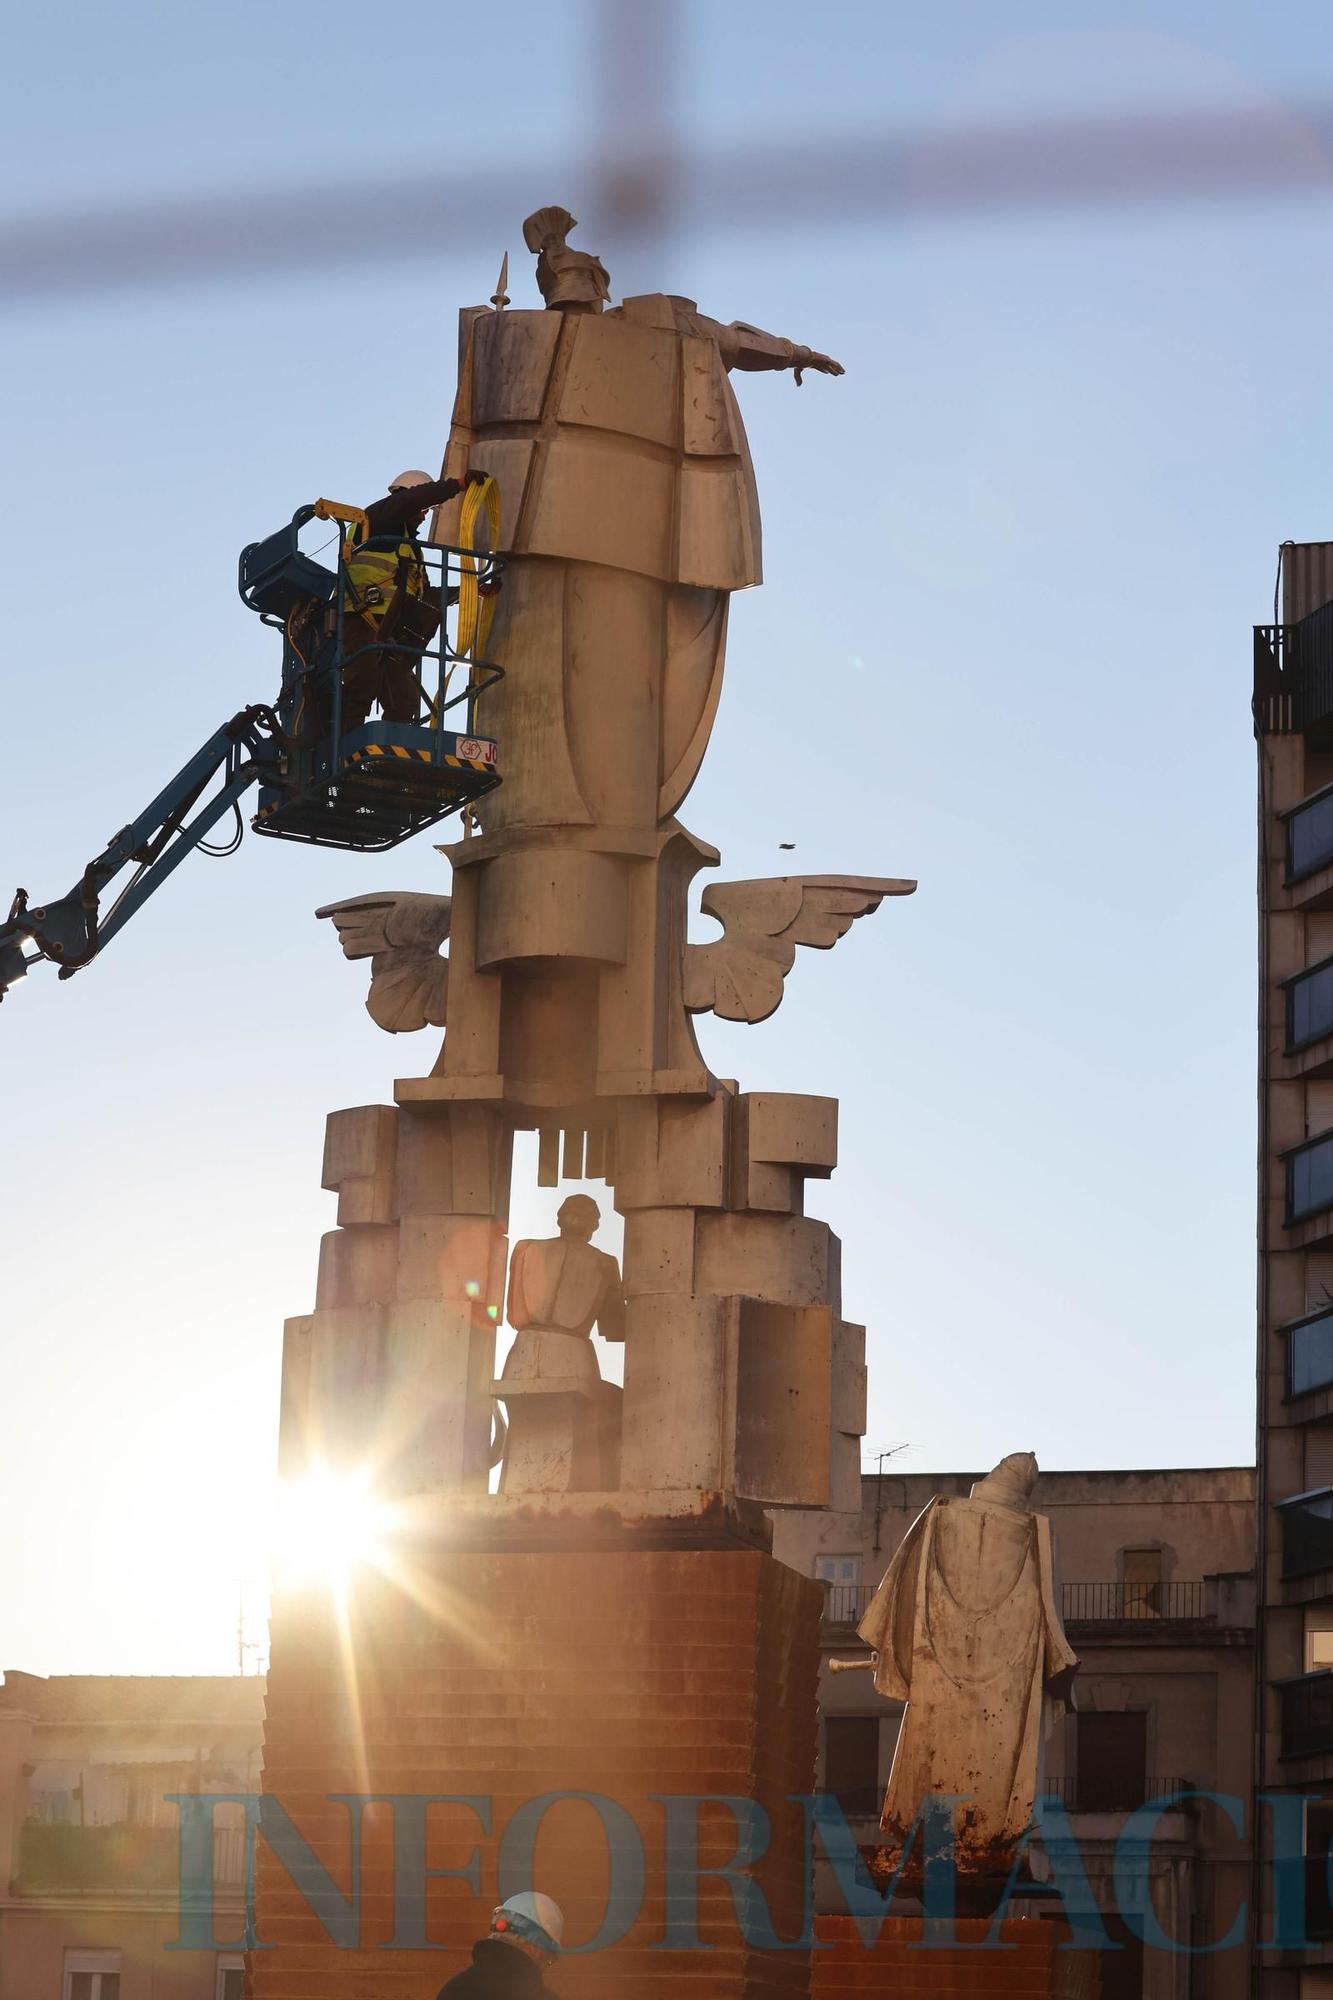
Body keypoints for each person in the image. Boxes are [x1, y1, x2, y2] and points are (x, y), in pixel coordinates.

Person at [339, 467, 487, 728]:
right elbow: (410, 501)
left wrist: (471, 591)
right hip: (362, 620)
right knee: (361, 684)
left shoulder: (411, 550)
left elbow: (425, 595)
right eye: (423, 511)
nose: (423, 517)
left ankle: (389, 756)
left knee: (404, 699)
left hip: (392, 632)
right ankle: (345, 750)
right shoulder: (376, 519)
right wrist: (458, 485)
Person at [434, 1893, 563, 2000]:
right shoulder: (539, 1997)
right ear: (536, 1945)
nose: (545, 1968)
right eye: (548, 1960)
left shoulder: (453, 1990)